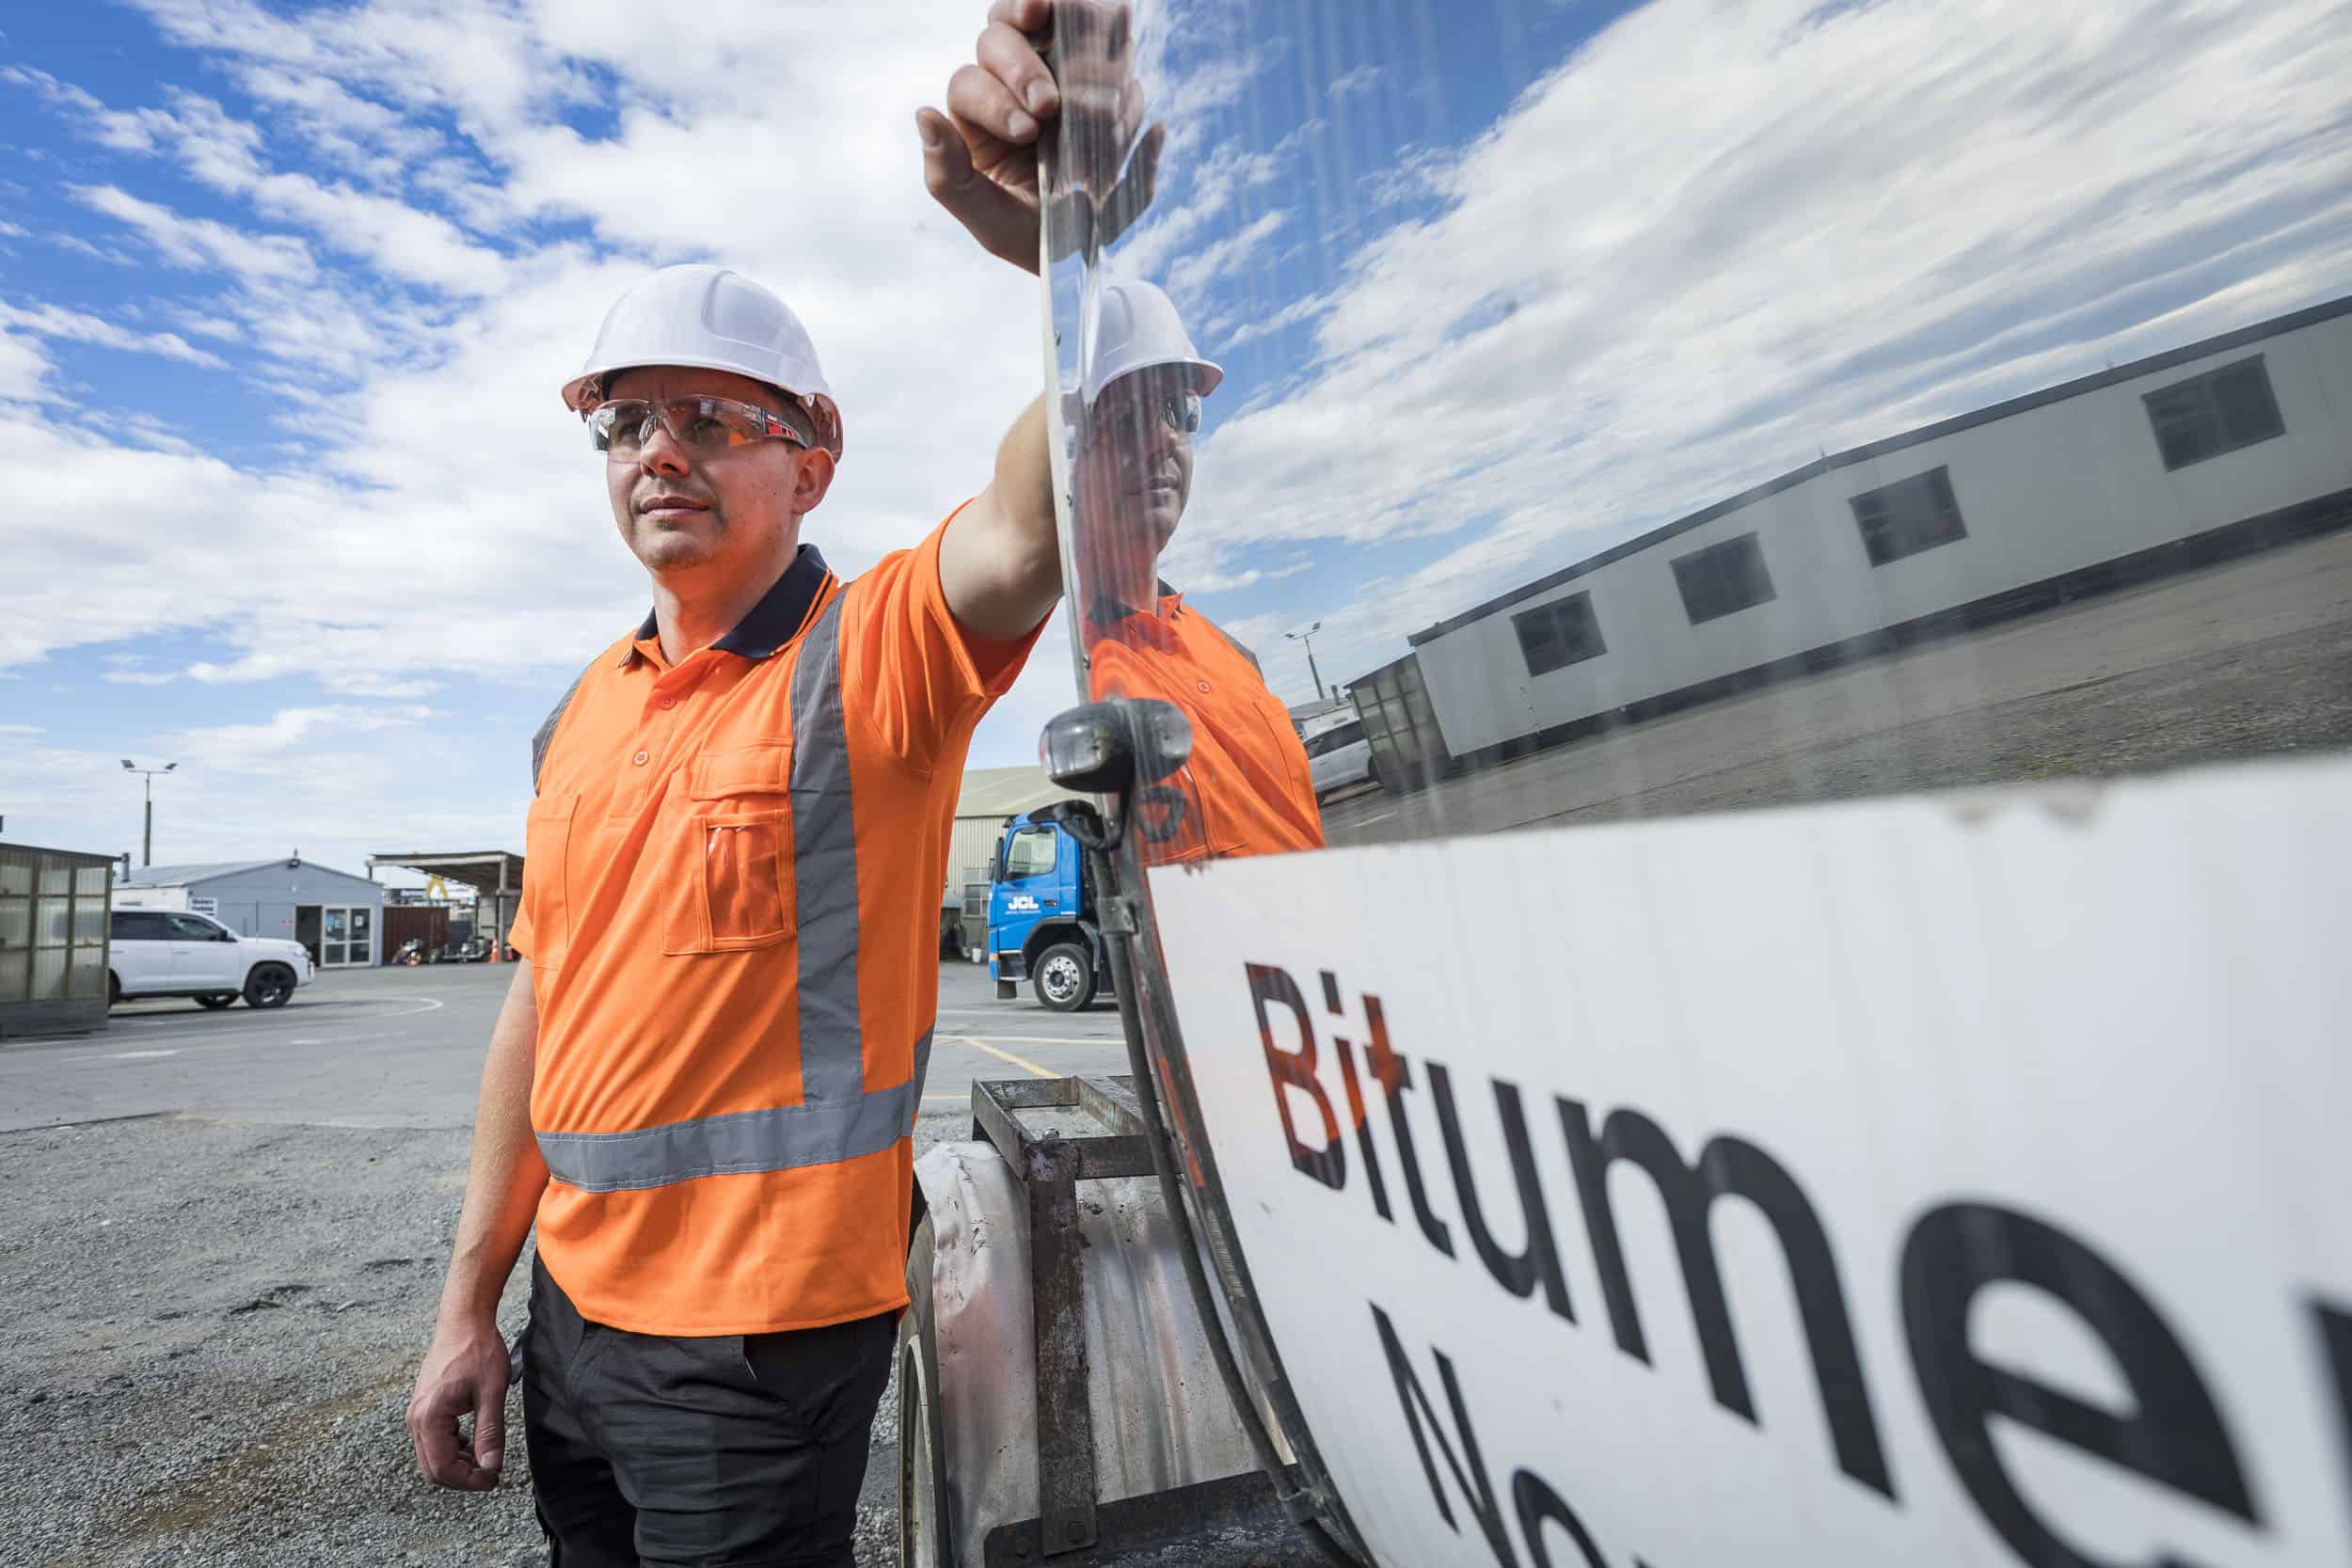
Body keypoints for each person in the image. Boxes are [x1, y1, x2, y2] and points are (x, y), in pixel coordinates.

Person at [1073, 280, 1327, 863]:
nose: (1165, 436)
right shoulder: (1075, 668)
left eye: (1178, 410)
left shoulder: (1230, 653)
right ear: (1074, 453)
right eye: (1129, 414)